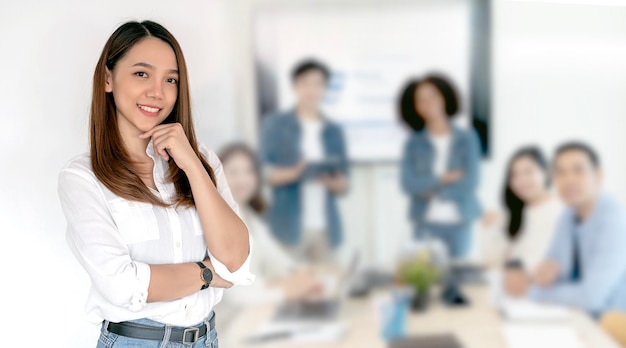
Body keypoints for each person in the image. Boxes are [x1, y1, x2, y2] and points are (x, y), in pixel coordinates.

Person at [57, 21, 253, 348]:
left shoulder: (200, 158)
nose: (157, 93)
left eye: (171, 79)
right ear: (108, 78)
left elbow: (235, 261)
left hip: (208, 339)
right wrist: (207, 274)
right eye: (141, 74)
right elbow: (122, 286)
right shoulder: (82, 178)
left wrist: (190, 163)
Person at [507, 142, 626, 317]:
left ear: (599, 175)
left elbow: (591, 297)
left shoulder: (614, 221)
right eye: (560, 172)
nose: (568, 179)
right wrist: (540, 280)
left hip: (611, 330)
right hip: (577, 317)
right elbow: (550, 271)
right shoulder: (569, 213)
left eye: (578, 170)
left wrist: (530, 290)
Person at [215, 143, 322, 327]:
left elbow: (276, 258)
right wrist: (286, 291)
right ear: (217, 176)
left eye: (248, 172)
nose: (243, 179)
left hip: (256, 311)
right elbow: (235, 293)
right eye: (233, 172)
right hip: (231, 323)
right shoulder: (216, 221)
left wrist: (300, 274)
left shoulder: (250, 215)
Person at [259, 59, 349, 264]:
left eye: (318, 84)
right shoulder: (275, 125)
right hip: (288, 227)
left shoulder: (334, 131)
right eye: (305, 83)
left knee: (327, 287)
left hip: (326, 228)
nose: (311, 90)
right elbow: (262, 173)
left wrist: (335, 183)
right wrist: (294, 173)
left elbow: (344, 184)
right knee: (290, 288)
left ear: (325, 89)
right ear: (295, 86)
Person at [399, 74, 481, 258]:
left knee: (457, 281)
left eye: (433, 96)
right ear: (415, 107)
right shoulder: (413, 143)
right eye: (421, 100)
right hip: (425, 223)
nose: (428, 103)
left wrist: (434, 191)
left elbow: (471, 182)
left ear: (444, 96)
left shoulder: (467, 138)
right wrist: (443, 178)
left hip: (459, 223)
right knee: (425, 280)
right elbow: (408, 184)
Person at [480, 147, 563, 289]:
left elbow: (547, 265)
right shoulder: (513, 213)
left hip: (541, 292)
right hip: (511, 290)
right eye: (514, 175)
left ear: (546, 173)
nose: (521, 180)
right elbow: (489, 261)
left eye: (528, 172)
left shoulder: (559, 211)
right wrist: (489, 228)